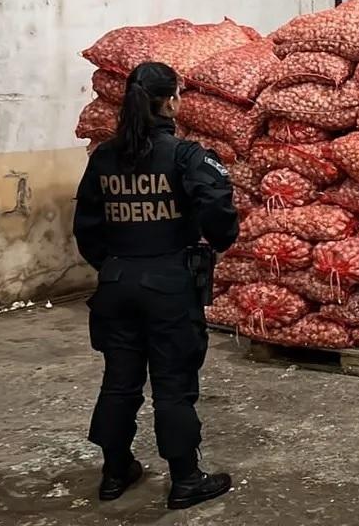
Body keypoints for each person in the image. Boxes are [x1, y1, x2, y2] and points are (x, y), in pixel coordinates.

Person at [72, 62, 239, 510]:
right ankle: (185, 478)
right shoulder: (186, 156)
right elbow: (219, 207)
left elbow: (85, 226)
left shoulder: (104, 158)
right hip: (168, 284)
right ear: (171, 101)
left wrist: (113, 264)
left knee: (119, 381)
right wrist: (217, 239)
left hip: (117, 282)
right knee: (173, 383)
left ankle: (114, 471)